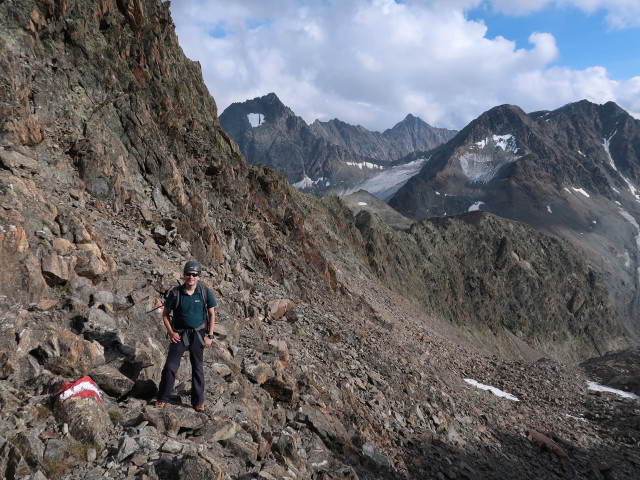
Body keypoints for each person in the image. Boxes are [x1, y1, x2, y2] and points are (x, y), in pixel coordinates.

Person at [155, 261, 216, 411]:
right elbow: (165, 315)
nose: (191, 277)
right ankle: (162, 397)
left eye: (194, 274)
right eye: (188, 274)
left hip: (198, 334)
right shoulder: (176, 292)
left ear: (199, 277)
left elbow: (212, 313)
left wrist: (210, 336)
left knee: (198, 368)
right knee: (170, 367)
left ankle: (198, 402)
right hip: (179, 334)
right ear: (184, 275)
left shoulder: (205, 292)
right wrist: (171, 332)